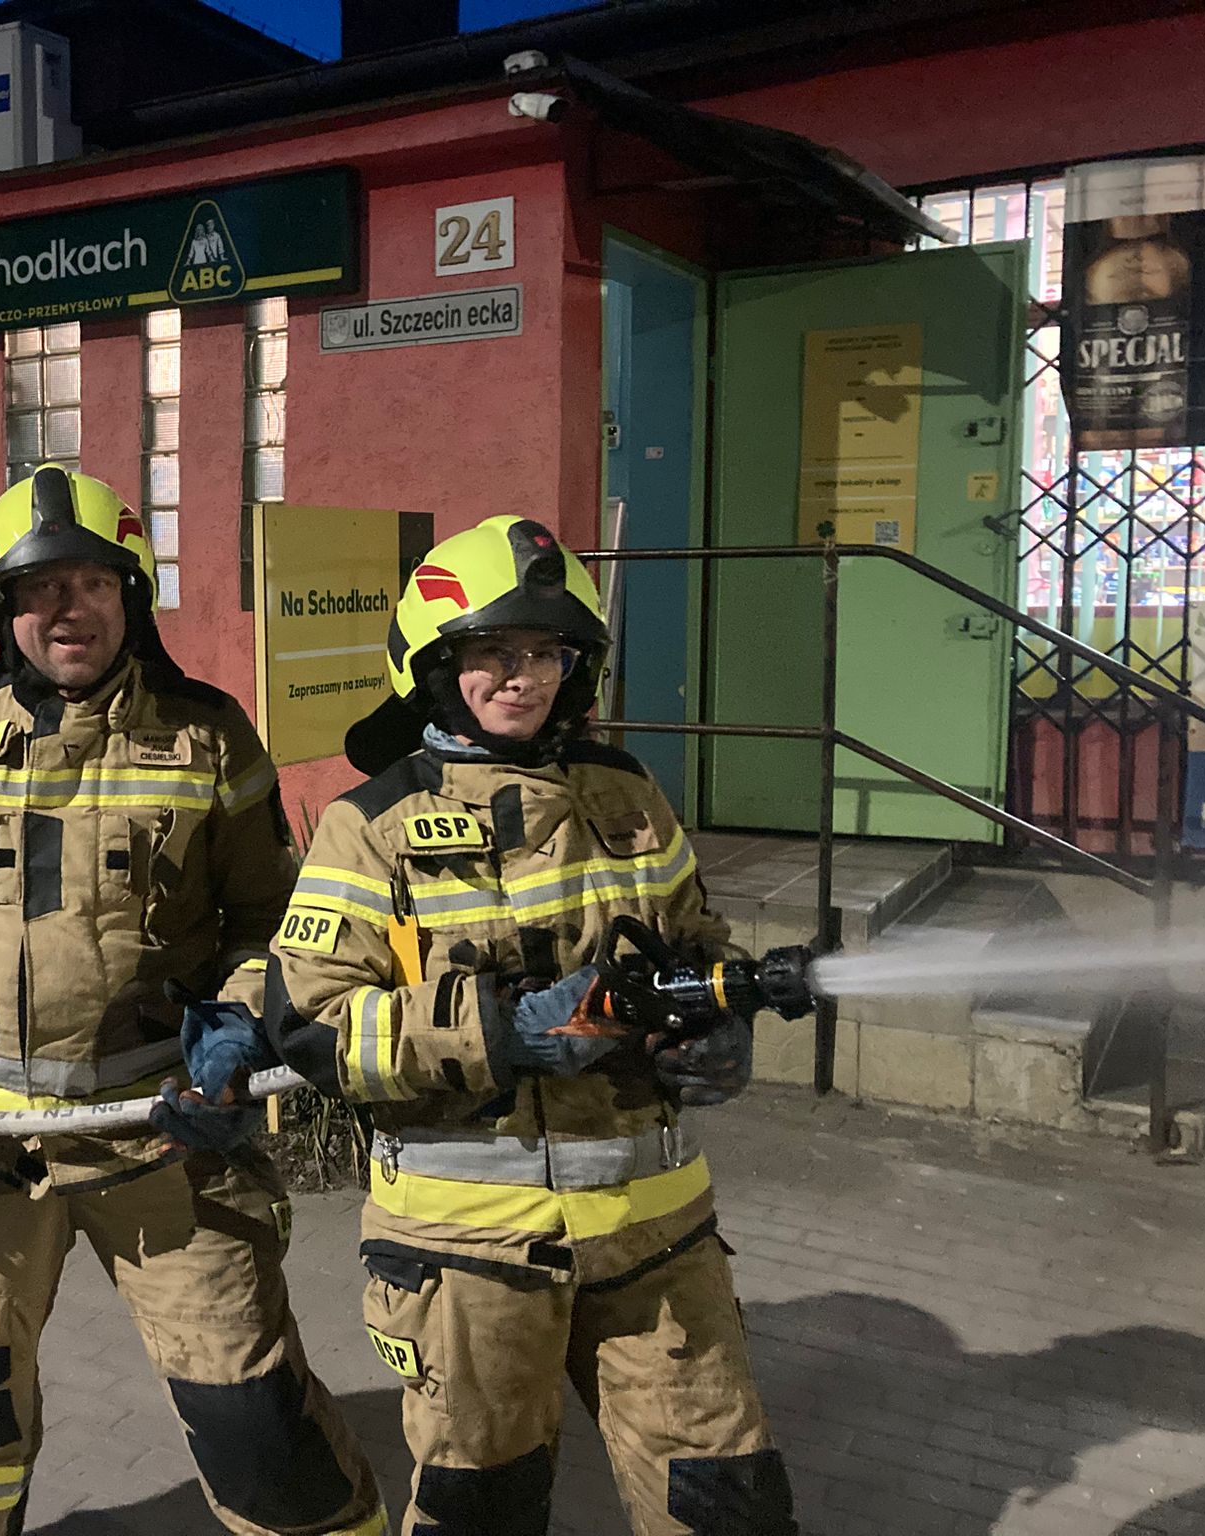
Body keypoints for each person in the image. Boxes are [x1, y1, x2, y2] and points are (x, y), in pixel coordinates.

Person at [0, 465, 385, 1536]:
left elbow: (273, 921)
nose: (67, 608)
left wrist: (235, 1027)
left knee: (253, 1423)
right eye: (39, 588)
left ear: (131, 596)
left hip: (161, 1133)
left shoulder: (209, 733)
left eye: (92, 582)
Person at [267, 515, 798, 1536]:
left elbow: (693, 941)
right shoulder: (368, 826)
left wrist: (714, 1021)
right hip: (466, 1255)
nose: (522, 677)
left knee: (730, 1504)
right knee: (482, 1509)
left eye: (546, 652)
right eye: (492, 652)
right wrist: (503, 1032)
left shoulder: (627, 794)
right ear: (435, 665)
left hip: (657, 1237)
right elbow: (312, 1028)